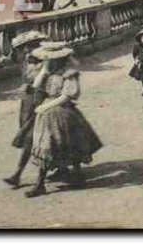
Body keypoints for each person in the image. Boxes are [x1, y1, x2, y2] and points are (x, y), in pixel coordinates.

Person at [25, 42, 103, 198]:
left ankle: (72, 176)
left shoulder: (69, 73)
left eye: (50, 59)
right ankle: (46, 182)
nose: (48, 60)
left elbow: (68, 95)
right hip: (48, 111)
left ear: (61, 58)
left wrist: (45, 107)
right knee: (46, 145)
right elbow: (35, 86)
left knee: (68, 143)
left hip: (62, 111)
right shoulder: (49, 71)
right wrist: (44, 70)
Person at [3, 30, 48, 189]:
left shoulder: (46, 62)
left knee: (34, 138)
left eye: (30, 46)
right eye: (24, 48)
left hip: (41, 103)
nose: (27, 50)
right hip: (27, 104)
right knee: (32, 137)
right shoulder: (26, 61)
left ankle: (18, 174)